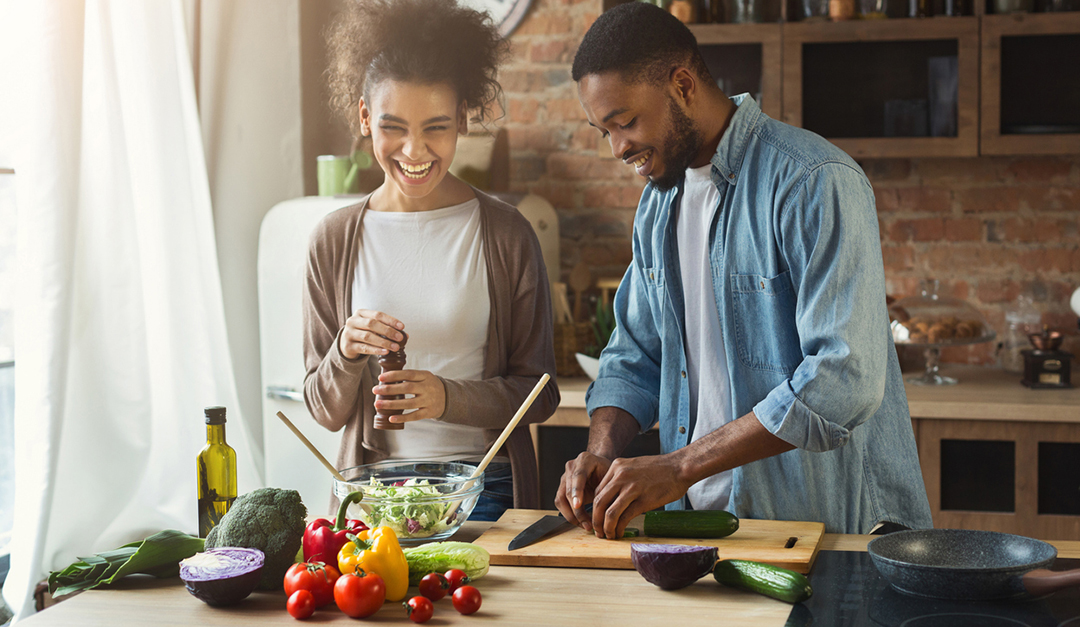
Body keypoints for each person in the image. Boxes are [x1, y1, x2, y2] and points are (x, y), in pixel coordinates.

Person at [555, 2, 932, 536]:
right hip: (698, 527)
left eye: (627, 122)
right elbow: (634, 353)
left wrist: (679, 467)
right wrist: (600, 452)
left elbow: (843, 378)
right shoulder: (658, 204)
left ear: (683, 84)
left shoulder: (813, 181)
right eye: (603, 131)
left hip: (823, 529)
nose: (618, 148)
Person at [303, 0, 559, 521]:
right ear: (365, 117)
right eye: (393, 126)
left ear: (462, 119)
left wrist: (446, 398)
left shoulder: (507, 234)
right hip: (372, 496)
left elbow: (542, 393)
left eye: (436, 127)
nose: (414, 150)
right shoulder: (332, 239)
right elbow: (323, 410)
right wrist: (345, 354)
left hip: (484, 490)